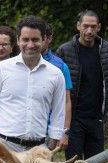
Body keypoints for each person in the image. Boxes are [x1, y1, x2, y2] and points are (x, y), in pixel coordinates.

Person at [0, 15, 66, 152]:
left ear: (43, 40)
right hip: (4, 146)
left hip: (38, 148)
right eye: (25, 39)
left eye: (35, 39)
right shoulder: (1, 69)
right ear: (18, 40)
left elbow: (58, 114)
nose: (30, 45)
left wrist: (50, 147)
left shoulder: (56, 74)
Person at [56, 10, 108, 163]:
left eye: (93, 27)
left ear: (98, 28)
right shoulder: (65, 50)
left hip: (96, 118)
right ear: (78, 26)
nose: (89, 31)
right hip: (74, 119)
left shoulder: (106, 49)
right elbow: (55, 85)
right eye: (85, 26)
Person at [41, 22, 73, 151]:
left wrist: (64, 132)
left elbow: (67, 102)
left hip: (49, 131)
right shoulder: (17, 64)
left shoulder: (60, 66)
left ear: (49, 38)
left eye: (42, 38)